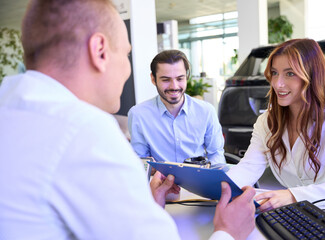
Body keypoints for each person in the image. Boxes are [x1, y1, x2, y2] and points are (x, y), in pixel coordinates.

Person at [0, 0, 256, 239]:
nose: (126, 70)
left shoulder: (10, 105)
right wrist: (227, 232)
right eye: (125, 54)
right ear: (99, 50)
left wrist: (148, 207)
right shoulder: (87, 131)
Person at [227, 38, 325, 212]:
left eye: (290, 73)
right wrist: (218, 187)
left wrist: (292, 195)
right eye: (274, 73)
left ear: (313, 76)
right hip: (295, 211)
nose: (277, 83)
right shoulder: (267, 121)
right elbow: (249, 167)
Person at [128, 50, 225, 165]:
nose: (174, 86)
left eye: (180, 79)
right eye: (166, 80)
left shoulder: (206, 111)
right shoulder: (138, 114)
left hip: (198, 180)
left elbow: (216, 155)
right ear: (153, 79)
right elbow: (140, 160)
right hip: (160, 181)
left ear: (187, 77)